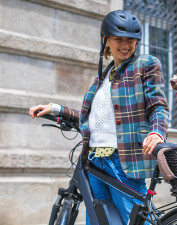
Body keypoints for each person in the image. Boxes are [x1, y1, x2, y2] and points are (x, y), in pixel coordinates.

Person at [29, 10, 169, 225]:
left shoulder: (145, 64)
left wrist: (157, 131)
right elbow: (92, 119)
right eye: (118, 39)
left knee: (135, 219)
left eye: (131, 40)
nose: (125, 45)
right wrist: (56, 108)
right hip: (94, 159)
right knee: (99, 220)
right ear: (106, 41)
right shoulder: (103, 76)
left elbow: (158, 105)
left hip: (122, 159)